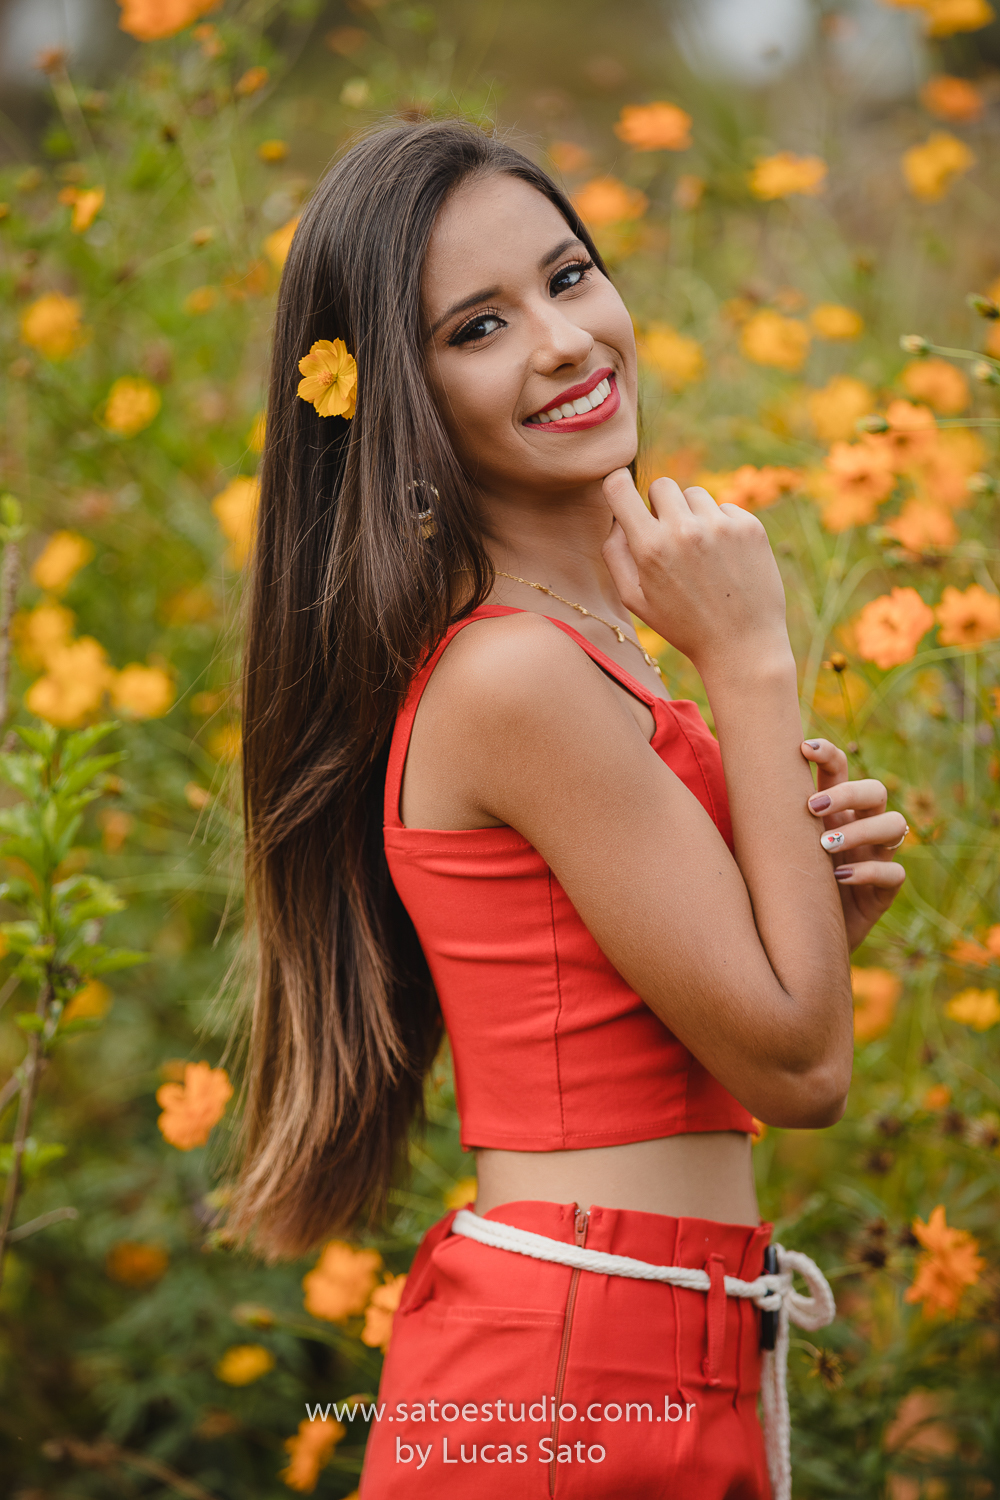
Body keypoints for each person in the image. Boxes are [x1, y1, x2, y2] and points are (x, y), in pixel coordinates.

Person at [231, 120, 906, 1499]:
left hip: (655, 1335)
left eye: (570, 276)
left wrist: (809, 915)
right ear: (399, 397)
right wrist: (753, 659)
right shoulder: (516, 672)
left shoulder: (587, 634)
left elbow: (731, 1025)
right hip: (577, 1368)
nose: (563, 341)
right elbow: (803, 1071)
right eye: (479, 325)